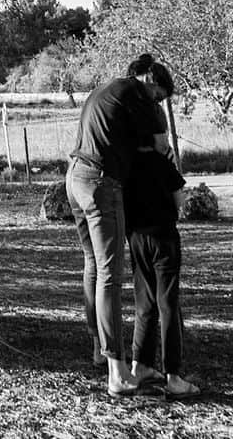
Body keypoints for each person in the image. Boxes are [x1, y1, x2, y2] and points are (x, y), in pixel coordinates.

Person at [66, 51, 173, 397]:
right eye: (159, 96)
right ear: (151, 81)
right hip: (100, 182)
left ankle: (99, 347)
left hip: (74, 178)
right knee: (111, 273)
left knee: (94, 266)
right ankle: (117, 371)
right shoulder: (136, 93)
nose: (158, 103)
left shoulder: (106, 91)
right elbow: (160, 146)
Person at [124, 145, 199, 398]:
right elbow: (179, 200)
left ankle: (139, 364)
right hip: (163, 237)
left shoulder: (126, 163)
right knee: (168, 303)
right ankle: (173, 376)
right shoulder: (162, 161)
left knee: (144, 302)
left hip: (136, 237)